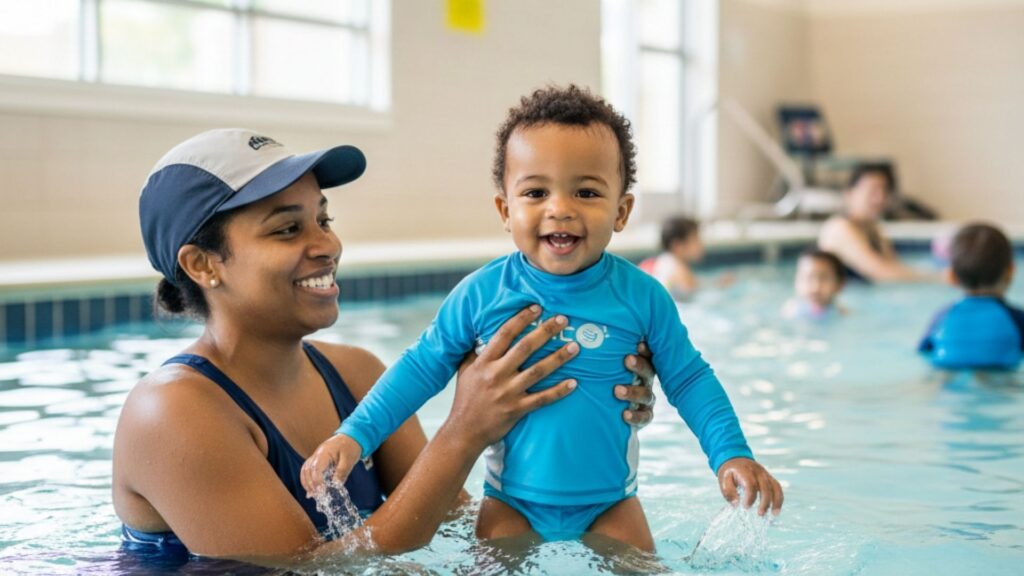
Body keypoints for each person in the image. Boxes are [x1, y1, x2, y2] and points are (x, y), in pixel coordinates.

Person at [113, 128, 659, 564]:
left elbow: (453, 524)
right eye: (287, 230)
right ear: (202, 264)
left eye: (323, 218)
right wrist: (465, 428)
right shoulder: (172, 412)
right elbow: (303, 571)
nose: (326, 244)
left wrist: (572, 411)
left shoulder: (354, 373)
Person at [303, 86, 784, 552]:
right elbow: (420, 367)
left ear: (621, 211)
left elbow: (690, 377)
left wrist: (730, 454)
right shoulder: (481, 294)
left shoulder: (642, 298)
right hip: (511, 502)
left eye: (586, 192)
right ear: (504, 210)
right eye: (535, 192)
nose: (560, 208)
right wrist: (355, 434)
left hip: (611, 504)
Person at [918, 222, 1024, 370]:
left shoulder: (942, 316)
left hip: (948, 380)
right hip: (1001, 378)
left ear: (951, 276)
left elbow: (924, 350)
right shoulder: (1017, 319)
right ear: (1011, 271)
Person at [817, 164, 922, 282]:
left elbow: (894, 266)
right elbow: (882, 274)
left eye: (884, 190)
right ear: (849, 194)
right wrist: (939, 277)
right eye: (872, 191)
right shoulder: (839, 228)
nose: (880, 198)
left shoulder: (873, 228)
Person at [638, 216, 716, 301]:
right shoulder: (679, 269)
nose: (701, 244)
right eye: (696, 239)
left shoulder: (663, 261)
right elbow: (698, 294)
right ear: (677, 246)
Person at [782, 248, 847, 320]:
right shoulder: (791, 310)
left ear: (840, 284)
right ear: (796, 281)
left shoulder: (841, 314)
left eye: (824, 278)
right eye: (808, 278)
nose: (815, 286)